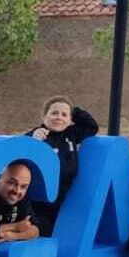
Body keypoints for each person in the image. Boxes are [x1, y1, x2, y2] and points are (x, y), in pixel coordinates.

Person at [26, 96, 99, 227]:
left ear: (70, 119)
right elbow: (21, 154)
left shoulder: (71, 134)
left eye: (64, 115)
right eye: (54, 113)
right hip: (37, 205)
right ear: (44, 116)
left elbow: (92, 127)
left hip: (65, 204)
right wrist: (34, 140)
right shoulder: (36, 136)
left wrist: (72, 109)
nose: (59, 117)